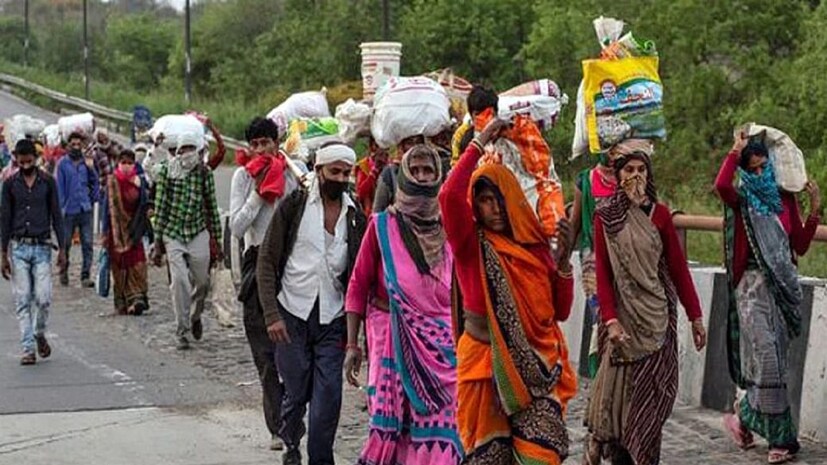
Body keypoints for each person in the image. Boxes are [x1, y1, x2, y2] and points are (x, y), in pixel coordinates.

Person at [440, 118, 577, 465]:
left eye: (500, 200)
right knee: (489, 458)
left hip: (535, 369)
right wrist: (481, 140)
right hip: (482, 368)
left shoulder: (534, 248)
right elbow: (448, 195)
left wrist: (562, 264)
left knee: (541, 456)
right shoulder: (471, 245)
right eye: (485, 201)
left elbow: (559, 312)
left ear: (514, 200)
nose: (494, 209)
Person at [584, 143, 707, 465]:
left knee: (653, 404)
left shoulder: (661, 215)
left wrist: (695, 316)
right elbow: (604, 275)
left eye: (641, 170)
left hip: (657, 321)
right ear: (618, 175)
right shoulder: (606, 217)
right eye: (629, 170)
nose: (636, 176)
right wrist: (610, 320)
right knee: (622, 406)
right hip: (623, 325)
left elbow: (678, 270)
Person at [345, 145, 463, 465]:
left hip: (442, 344)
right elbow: (357, 285)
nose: (423, 177)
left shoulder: (450, 227)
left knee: (442, 426)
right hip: (390, 337)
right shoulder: (382, 226)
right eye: (417, 171)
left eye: (429, 171)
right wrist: (352, 345)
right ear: (405, 176)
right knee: (396, 426)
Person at [257, 142, 366, 465]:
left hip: (333, 317)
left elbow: (359, 275)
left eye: (346, 173)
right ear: (319, 172)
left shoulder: (355, 216)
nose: (341, 178)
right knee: (297, 390)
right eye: (334, 172)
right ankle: (291, 441)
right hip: (291, 314)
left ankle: (321, 458)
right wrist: (272, 315)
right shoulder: (294, 206)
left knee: (329, 396)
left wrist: (356, 333)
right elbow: (267, 260)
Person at [717, 132, 821, 464]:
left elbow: (800, 245)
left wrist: (815, 208)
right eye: (753, 169)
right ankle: (783, 440)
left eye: (765, 167)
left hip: (782, 289)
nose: (760, 175)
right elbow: (721, 185)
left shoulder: (784, 200)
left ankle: (743, 416)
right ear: (745, 171)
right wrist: (734, 151)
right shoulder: (743, 199)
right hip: (752, 288)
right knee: (769, 361)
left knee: (773, 364)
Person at [230, 117, 297, 452]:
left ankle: (294, 415)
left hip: (290, 265)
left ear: (276, 143)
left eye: (266, 143)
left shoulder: (292, 174)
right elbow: (238, 227)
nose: (261, 150)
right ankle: (278, 426)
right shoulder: (243, 177)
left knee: (293, 348)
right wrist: (258, 194)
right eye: (254, 144)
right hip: (257, 264)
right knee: (265, 353)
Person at [569, 142, 642, 377]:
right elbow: (575, 224)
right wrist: (559, 264)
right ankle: (600, 372)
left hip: (627, 258)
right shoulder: (586, 180)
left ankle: (623, 376)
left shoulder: (632, 175)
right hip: (594, 261)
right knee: (602, 319)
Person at [152, 132, 222, 350]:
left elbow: (212, 206)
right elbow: (161, 206)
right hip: (173, 233)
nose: (188, 154)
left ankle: (195, 315)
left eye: (193, 149)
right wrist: (157, 242)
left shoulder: (204, 173)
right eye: (185, 149)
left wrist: (218, 241)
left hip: (197, 232)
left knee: (203, 283)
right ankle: (181, 329)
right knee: (180, 281)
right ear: (178, 151)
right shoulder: (167, 172)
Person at [1, 140, 66, 365]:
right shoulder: (9, 185)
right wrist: (3, 254)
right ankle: (28, 348)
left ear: (35, 159)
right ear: (16, 159)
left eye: (30, 161)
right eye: (22, 162)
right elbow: (5, 220)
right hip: (18, 248)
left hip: (42, 247)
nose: (26, 165)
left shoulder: (48, 182)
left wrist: (63, 249)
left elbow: (57, 215)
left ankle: (39, 332)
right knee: (22, 299)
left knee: (43, 297)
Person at [101, 149, 152, 316]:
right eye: (123, 163)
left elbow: (144, 203)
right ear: (118, 163)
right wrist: (104, 231)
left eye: (130, 163)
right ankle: (121, 302)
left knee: (137, 263)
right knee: (119, 266)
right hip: (115, 233)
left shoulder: (140, 181)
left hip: (134, 230)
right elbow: (106, 208)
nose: (126, 166)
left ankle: (136, 299)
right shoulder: (112, 181)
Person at [55, 132, 99, 288]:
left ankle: (85, 275)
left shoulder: (86, 163)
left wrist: (93, 198)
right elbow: (59, 188)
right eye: (73, 144)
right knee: (66, 243)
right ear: (68, 146)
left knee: (87, 243)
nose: (76, 147)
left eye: (78, 144)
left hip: (85, 208)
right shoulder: (62, 164)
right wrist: (60, 208)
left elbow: (95, 181)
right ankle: (64, 270)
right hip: (68, 210)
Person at [372, 135, 425, 213]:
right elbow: (378, 211)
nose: (414, 147)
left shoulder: (431, 171)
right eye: (409, 143)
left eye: (418, 143)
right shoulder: (390, 173)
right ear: (401, 146)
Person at [355, 138, 389, 215]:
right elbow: (360, 193)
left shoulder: (391, 166)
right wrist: (374, 172)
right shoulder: (363, 166)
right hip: (368, 213)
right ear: (371, 147)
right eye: (376, 145)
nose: (380, 149)